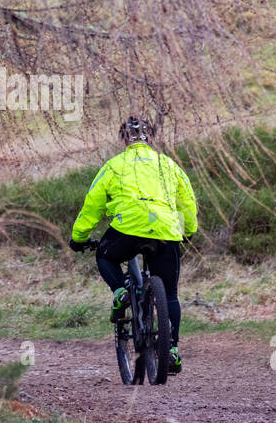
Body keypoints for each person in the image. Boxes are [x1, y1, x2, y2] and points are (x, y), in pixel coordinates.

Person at [70, 116, 198, 373]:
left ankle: (120, 291)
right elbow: (188, 200)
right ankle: (171, 349)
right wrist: (189, 231)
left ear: (124, 139)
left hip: (127, 229)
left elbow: (92, 203)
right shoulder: (168, 164)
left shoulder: (114, 165)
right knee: (171, 294)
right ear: (151, 138)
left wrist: (79, 237)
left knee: (105, 256)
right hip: (165, 230)